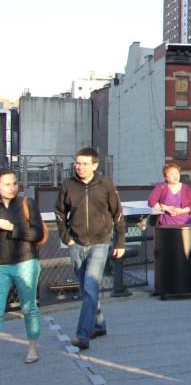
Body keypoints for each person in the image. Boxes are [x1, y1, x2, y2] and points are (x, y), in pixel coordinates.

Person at [55, 147, 125, 351]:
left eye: (85, 164)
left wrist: (120, 241)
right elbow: (59, 212)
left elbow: (118, 213)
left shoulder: (106, 185)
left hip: (100, 242)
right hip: (76, 243)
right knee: (87, 289)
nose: (80, 167)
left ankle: (82, 335)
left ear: (95, 165)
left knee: (90, 287)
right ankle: (99, 325)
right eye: (77, 163)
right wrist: (65, 237)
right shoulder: (68, 185)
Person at [0, 169, 43, 364]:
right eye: (6, 184)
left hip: (25, 261)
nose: (12, 188)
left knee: (28, 307)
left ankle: (32, 347)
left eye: (14, 184)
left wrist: (12, 228)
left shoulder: (27, 204)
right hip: (1, 265)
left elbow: (38, 234)